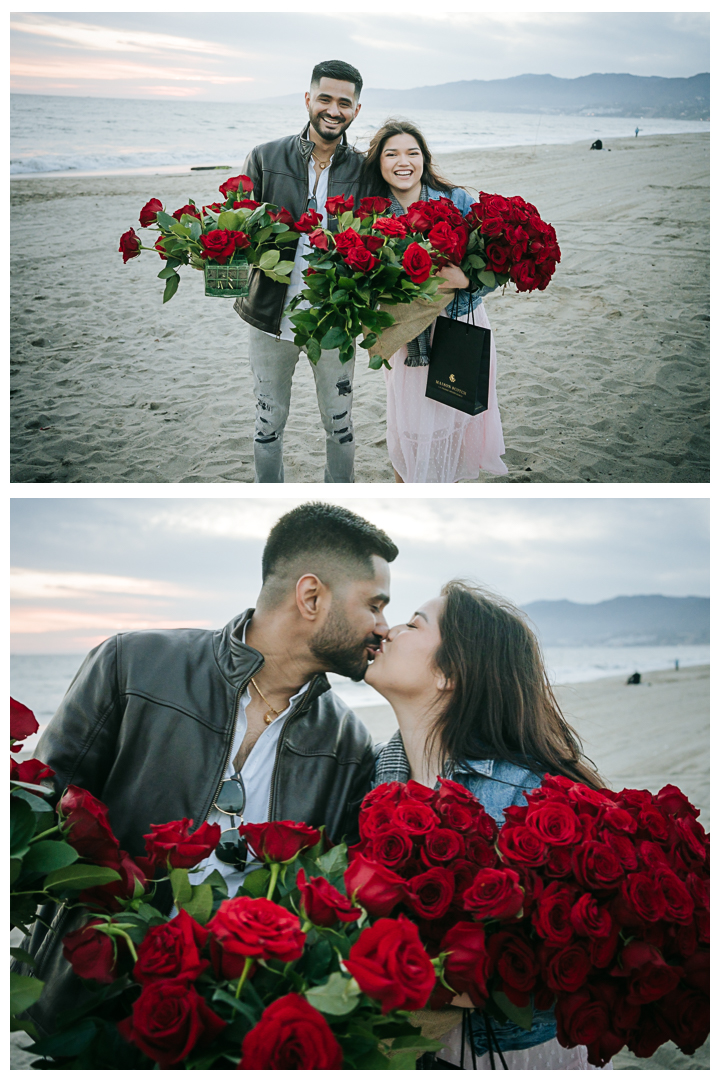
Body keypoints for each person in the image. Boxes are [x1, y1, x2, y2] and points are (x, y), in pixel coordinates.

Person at [18, 502, 398, 1035]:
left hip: (237, 1022)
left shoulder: (349, 743)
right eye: (375, 605)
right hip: (91, 1002)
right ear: (311, 596)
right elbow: (37, 817)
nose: (384, 627)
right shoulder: (132, 665)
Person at [366, 580, 610, 1070]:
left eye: (414, 623)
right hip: (411, 1047)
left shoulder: (532, 797)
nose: (388, 630)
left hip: (516, 1052)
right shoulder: (374, 775)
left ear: (450, 673)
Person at [235, 60, 365, 483]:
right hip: (270, 317)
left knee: (340, 427)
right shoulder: (264, 157)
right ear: (308, 100)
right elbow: (233, 228)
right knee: (267, 425)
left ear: (356, 110)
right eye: (325, 98)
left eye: (344, 103)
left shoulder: (365, 170)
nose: (333, 109)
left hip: (336, 320)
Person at [360, 120, 507, 484]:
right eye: (391, 154)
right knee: (407, 428)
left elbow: (497, 264)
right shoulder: (371, 214)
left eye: (412, 152)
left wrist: (467, 281)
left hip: (460, 324)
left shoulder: (456, 200)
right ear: (379, 162)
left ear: (424, 159)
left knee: (455, 420)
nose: (402, 161)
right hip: (407, 335)